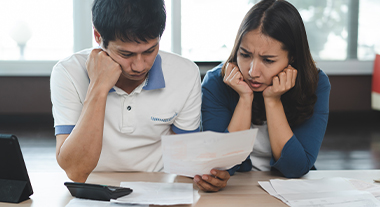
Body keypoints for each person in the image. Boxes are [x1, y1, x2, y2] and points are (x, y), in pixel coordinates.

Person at [50, 0, 202, 183]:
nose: (139, 66)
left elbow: (186, 161)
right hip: (94, 186)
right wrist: (98, 87)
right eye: (126, 54)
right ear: (98, 37)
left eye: (150, 51)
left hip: (159, 187)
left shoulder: (185, 73)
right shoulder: (68, 72)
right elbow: (76, 171)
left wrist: (207, 174)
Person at [198, 0, 330, 192]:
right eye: (245, 55)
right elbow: (220, 166)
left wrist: (273, 101)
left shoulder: (315, 84)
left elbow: (296, 168)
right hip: (237, 189)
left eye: (268, 60)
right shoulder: (216, 82)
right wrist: (244, 99)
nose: (252, 71)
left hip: (291, 192)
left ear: (292, 57)